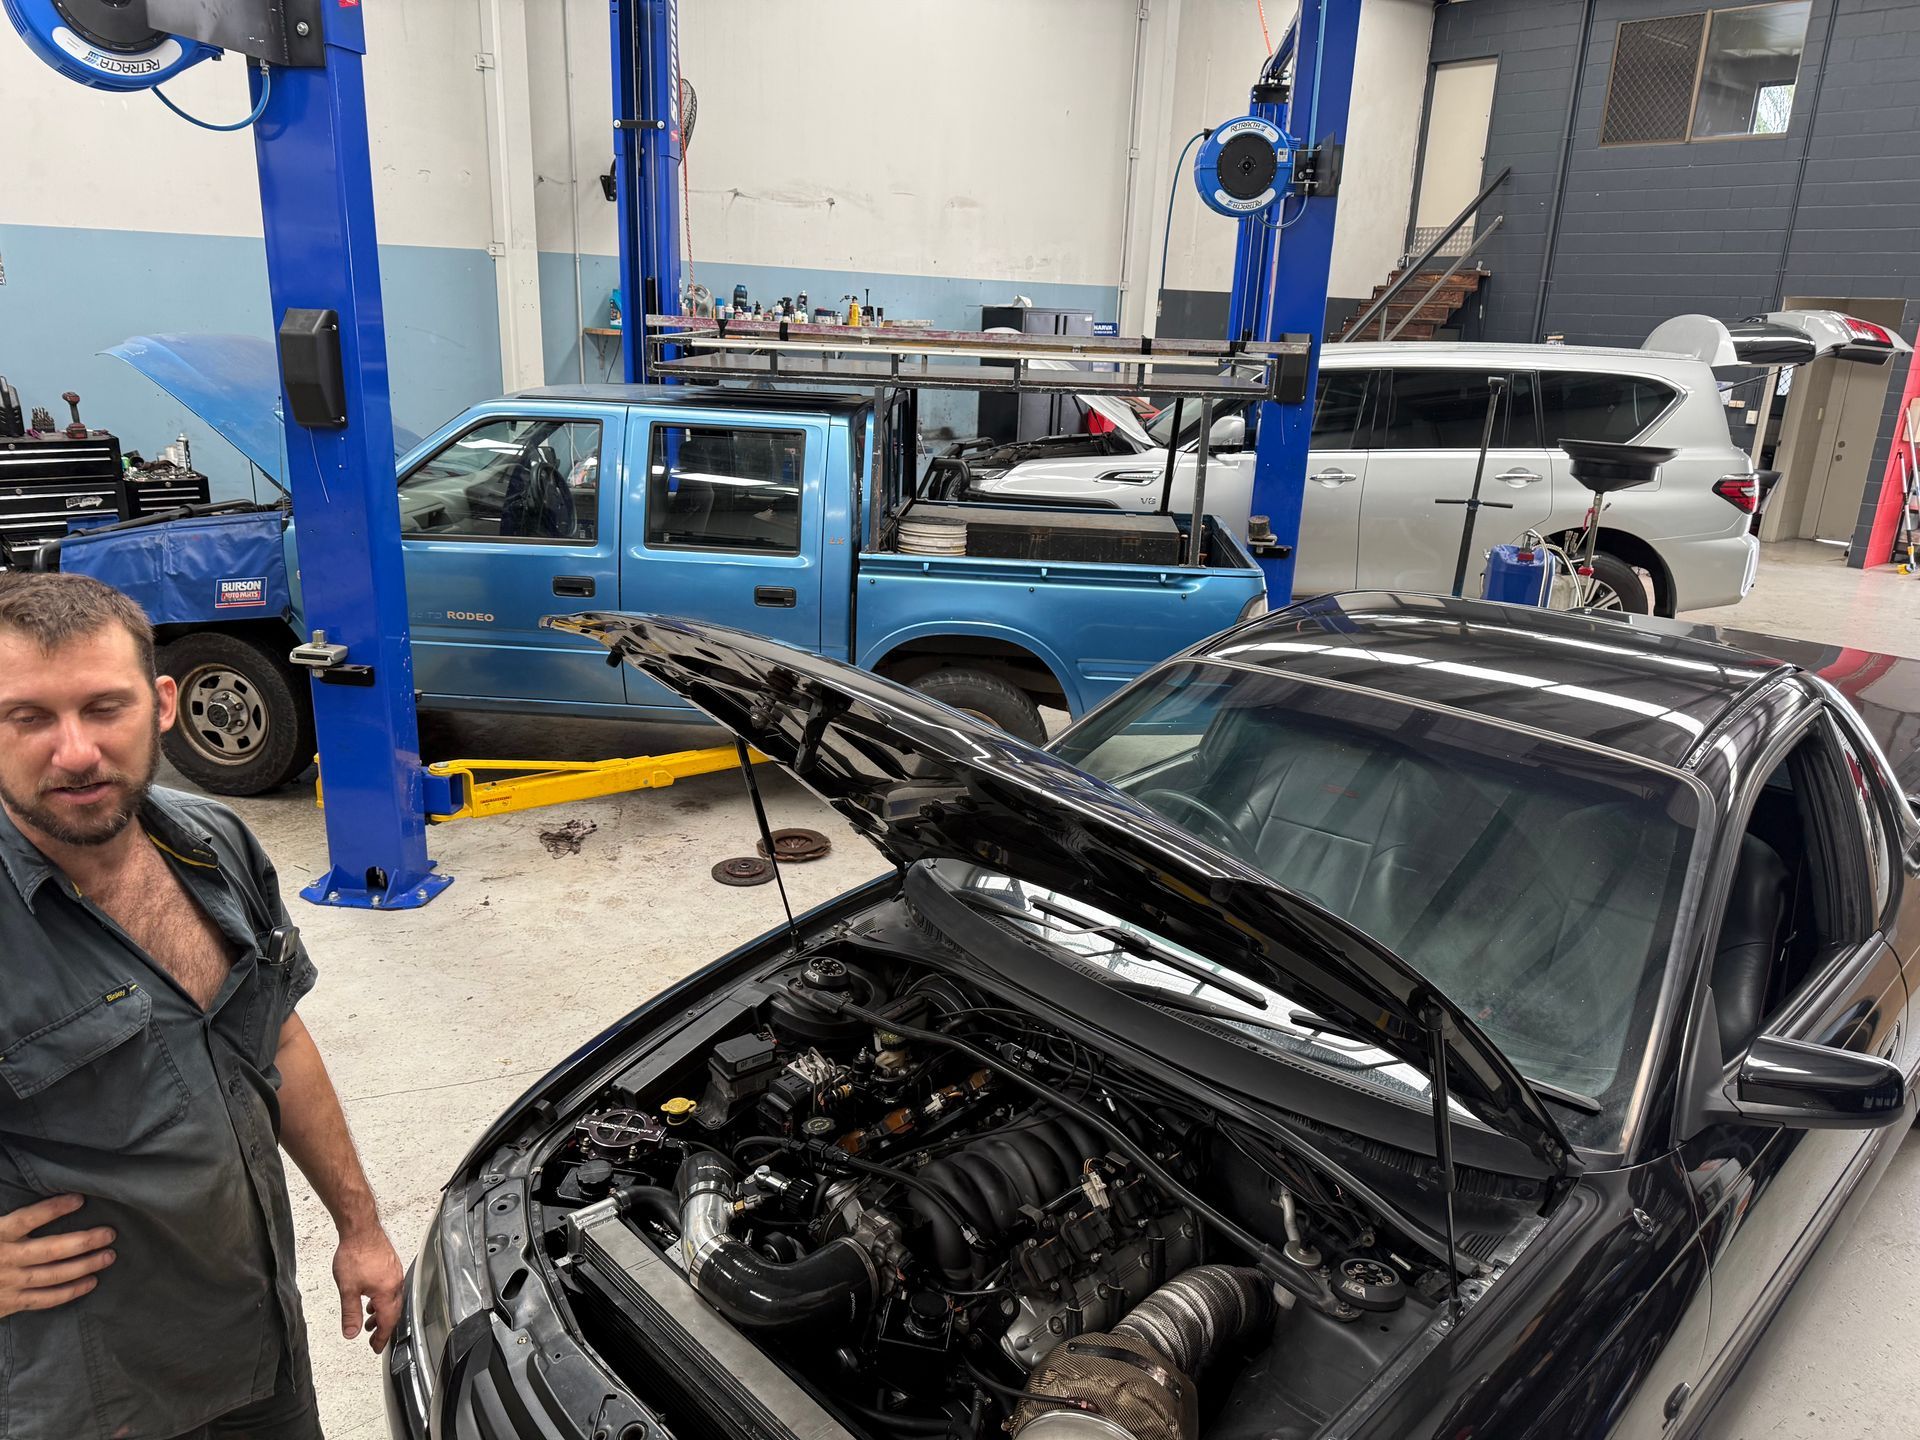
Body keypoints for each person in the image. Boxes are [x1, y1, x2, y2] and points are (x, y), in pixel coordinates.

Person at [0, 572, 402, 1439]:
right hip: (91, 1398)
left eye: (103, 708)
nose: (73, 751)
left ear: (163, 704)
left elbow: (280, 1040)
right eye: (28, 717)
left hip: (256, 1350)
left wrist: (359, 1227)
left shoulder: (212, 843)